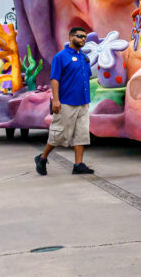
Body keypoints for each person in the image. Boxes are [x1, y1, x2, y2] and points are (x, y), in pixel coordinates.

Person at [35, 27, 93, 176]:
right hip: (67, 102)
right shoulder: (61, 57)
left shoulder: (84, 58)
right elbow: (55, 79)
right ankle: (42, 158)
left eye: (85, 37)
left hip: (83, 102)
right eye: (80, 36)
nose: (83, 39)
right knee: (59, 134)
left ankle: (78, 165)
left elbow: (87, 77)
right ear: (71, 37)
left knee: (81, 134)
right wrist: (56, 100)